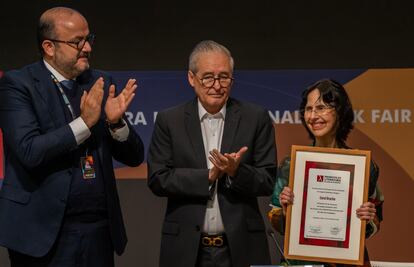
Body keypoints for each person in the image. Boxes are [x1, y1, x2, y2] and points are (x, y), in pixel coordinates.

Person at [0, 7, 144, 267]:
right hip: (42, 233)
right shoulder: (18, 85)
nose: (87, 48)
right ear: (49, 47)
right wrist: (84, 124)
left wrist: (116, 122)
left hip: (98, 232)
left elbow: (134, 157)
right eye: (77, 42)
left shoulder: (100, 81)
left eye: (89, 39)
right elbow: (30, 151)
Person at [147, 40, 277, 267]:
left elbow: (267, 180)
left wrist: (236, 171)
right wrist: (208, 176)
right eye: (208, 77)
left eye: (224, 77)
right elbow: (158, 178)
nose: (217, 85)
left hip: (241, 249)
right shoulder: (170, 120)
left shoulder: (256, 117)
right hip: (186, 250)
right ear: (191, 78)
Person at [268, 79, 384, 267]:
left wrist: (368, 218)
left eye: (321, 108)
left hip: (346, 262)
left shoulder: (364, 166)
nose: (313, 116)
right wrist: (285, 209)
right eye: (308, 109)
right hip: (301, 261)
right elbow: (278, 224)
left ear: (339, 112)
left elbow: (374, 223)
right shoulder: (291, 165)